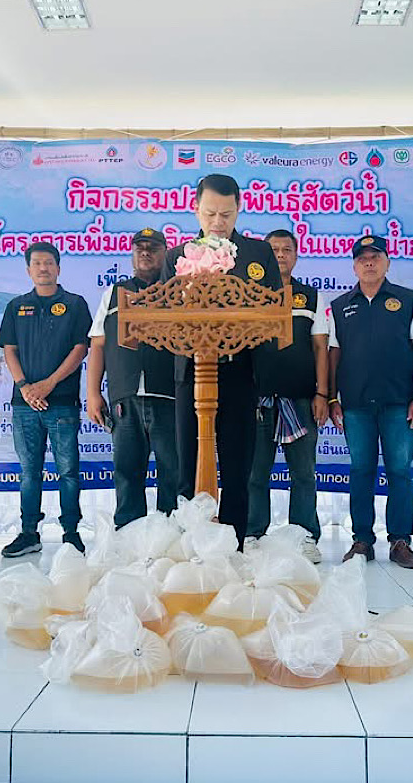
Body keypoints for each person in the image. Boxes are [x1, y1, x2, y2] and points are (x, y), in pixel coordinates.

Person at [159, 173, 282, 545]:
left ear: (239, 209)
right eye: (210, 213)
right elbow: (164, 314)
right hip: (191, 375)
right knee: (188, 468)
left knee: (237, 469)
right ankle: (191, 546)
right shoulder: (177, 256)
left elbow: (276, 314)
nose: (218, 222)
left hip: (240, 372)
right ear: (195, 209)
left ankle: (234, 548)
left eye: (226, 215)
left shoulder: (258, 254)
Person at [328, 235, 413, 568]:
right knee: (361, 471)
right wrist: (332, 398)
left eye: (376, 257)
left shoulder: (407, 300)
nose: (369, 263)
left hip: (399, 403)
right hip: (356, 405)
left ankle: (400, 541)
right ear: (354, 266)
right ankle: (362, 540)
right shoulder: (340, 306)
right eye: (362, 258)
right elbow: (334, 355)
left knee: (400, 470)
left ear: (387, 262)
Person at [0, 242, 92, 557]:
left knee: (68, 471)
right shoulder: (16, 306)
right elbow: (9, 349)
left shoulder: (75, 304)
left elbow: (80, 349)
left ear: (58, 268)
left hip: (62, 402)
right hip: (24, 404)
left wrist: (49, 384)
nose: (43, 268)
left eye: (48, 262)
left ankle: (71, 533)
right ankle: (29, 534)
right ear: (28, 270)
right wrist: (25, 387)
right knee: (29, 472)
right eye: (37, 263)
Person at [86, 227, 179, 528]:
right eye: (140, 248)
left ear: (165, 253)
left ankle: (170, 537)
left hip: (169, 396)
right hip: (125, 397)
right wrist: (93, 394)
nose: (146, 253)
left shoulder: (179, 293)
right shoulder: (114, 294)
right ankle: (127, 536)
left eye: (153, 248)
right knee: (127, 472)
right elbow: (98, 344)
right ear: (132, 254)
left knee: (173, 471)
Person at [246, 229, 329, 563]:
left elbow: (321, 347)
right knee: (255, 473)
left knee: (304, 473)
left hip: (301, 399)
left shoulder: (310, 297)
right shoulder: (248, 294)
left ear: (296, 256)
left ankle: (304, 536)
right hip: (257, 400)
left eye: (287, 250)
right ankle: (252, 534)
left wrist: (323, 393)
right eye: (274, 250)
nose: (280, 255)